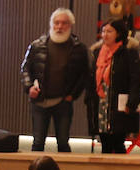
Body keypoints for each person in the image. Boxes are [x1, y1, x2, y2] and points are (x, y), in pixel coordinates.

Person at [22, 8, 89, 153]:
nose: (59, 26)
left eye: (64, 23)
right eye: (56, 23)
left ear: (70, 25)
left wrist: (74, 94)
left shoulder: (79, 48)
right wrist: (29, 88)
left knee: (63, 143)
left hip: (63, 102)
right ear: (51, 24)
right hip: (40, 101)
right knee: (38, 142)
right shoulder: (37, 45)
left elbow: (84, 75)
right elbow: (25, 68)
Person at [90, 19, 140, 155]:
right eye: (103, 31)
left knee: (118, 143)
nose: (105, 35)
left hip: (119, 105)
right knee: (105, 143)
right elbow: (91, 79)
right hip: (101, 104)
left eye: (109, 31)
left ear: (118, 34)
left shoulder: (128, 53)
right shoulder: (97, 53)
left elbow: (136, 80)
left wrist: (132, 103)